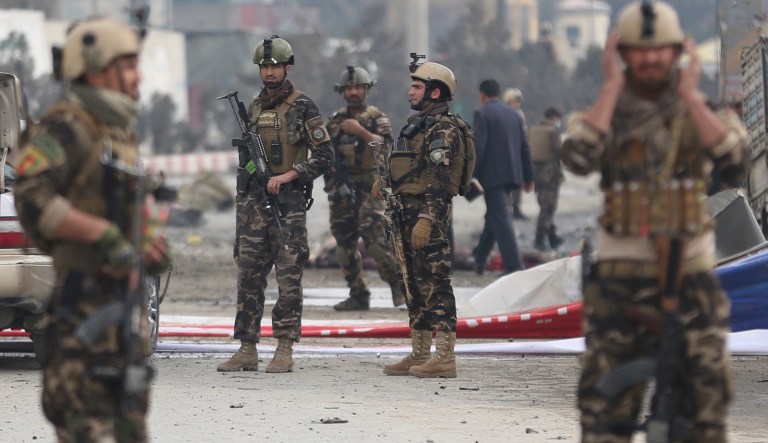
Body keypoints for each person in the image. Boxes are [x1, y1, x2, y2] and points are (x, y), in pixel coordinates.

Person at [561, 2, 748, 442]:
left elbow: (735, 160)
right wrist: (610, 89)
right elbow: (578, 156)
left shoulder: (702, 112)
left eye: (660, 50)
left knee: (704, 411)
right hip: (620, 281)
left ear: (678, 50)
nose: (650, 59)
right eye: (638, 51)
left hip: (691, 279)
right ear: (621, 53)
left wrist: (689, 96)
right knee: (604, 413)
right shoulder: (604, 113)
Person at [13, 18, 170, 442]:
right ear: (98, 69)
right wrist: (101, 235)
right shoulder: (65, 127)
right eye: (130, 65)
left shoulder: (117, 132)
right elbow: (30, 195)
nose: (140, 76)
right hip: (81, 313)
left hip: (123, 313)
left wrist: (149, 241)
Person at [217, 36, 333, 373]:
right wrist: (252, 170)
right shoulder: (254, 108)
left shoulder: (303, 106)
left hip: (288, 206)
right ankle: (247, 347)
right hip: (254, 205)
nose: (269, 72)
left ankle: (284, 347)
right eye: (264, 66)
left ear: (287, 67)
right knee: (249, 276)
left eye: (275, 66)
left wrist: (290, 175)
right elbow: (249, 162)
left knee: (288, 278)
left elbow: (326, 156)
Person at [375, 60, 469, 378]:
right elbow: (412, 168)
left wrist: (427, 219)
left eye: (417, 87)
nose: (410, 91)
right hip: (407, 213)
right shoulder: (419, 126)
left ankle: (444, 356)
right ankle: (419, 352)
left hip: (428, 217)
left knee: (435, 284)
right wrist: (387, 181)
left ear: (435, 91)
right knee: (412, 283)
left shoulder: (443, 129)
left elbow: (439, 181)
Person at [324, 66, 406, 311]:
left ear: (367, 89)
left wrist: (360, 132)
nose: (353, 92)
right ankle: (358, 294)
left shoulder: (377, 118)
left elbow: (387, 148)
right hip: (342, 188)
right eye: (349, 88)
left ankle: (397, 283)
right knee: (343, 248)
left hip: (372, 187)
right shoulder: (335, 121)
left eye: (358, 87)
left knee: (375, 242)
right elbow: (325, 155)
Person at [472, 79, 534, 274]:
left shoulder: (482, 113)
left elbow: (478, 147)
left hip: (492, 176)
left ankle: (514, 265)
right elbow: (525, 146)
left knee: (501, 218)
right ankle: (479, 259)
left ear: (482, 94)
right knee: (495, 218)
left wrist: (471, 174)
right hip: (512, 174)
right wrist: (528, 175)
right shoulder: (515, 115)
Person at [529, 107, 564, 251]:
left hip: (536, 175)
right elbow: (559, 150)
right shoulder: (553, 131)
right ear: (553, 117)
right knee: (547, 208)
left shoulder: (533, 130)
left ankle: (552, 237)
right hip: (551, 175)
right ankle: (539, 239)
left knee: (545, 205)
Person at [503, 87, 529, 220]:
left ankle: (516, 207)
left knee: (518, 181)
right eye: (514, 101)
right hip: (507, 152)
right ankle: (506, 208)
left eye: (518, 101)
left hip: (517, 151)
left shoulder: (520, 114)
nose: (517, 103)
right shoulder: (504, 114)